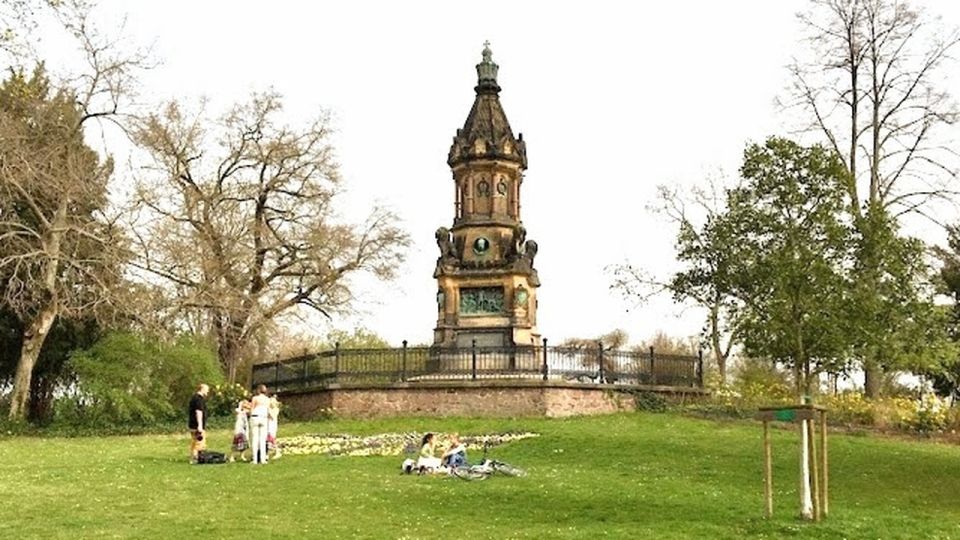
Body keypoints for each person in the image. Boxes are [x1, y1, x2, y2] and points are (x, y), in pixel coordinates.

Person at [187, 383, 210, 464]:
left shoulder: (194, 398)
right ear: (202, 389)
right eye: (207, 389)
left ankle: (192, 458)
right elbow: (198, 412)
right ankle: (196, 458)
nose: (208, 391)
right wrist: (200, 425)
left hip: (192, 424)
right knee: (199, 442)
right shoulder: (199, 399)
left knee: (194, 442)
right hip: (197, 425)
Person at [249, 385, 271, 464]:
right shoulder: (268, 399)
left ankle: (254, 459)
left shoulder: (255, 398)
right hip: (264, 418)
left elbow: (252, 409)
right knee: (263, 439)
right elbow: (268, 410)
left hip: (255, 417)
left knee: (255, 438)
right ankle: (263, 458)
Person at [266, 395, 282, 460]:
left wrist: (269, 410)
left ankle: (277, 452)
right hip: (268, 425)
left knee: (272, 439)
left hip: (272, 426)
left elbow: (273, 416)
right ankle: (266, 453)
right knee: (267, 440)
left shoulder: (276, 409)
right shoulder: (268, 409)